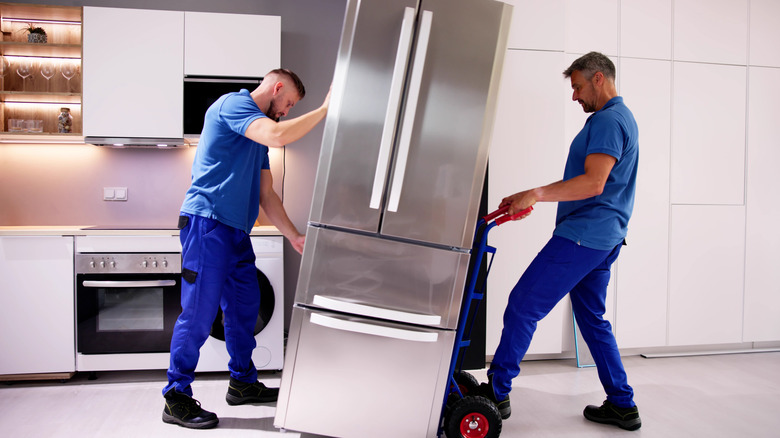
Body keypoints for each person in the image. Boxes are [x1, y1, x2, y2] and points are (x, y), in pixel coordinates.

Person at [476, 52, 641, 431]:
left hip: (584, 236)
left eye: (578, 87)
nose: (575, 97)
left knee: (522, 305)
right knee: (592, 320)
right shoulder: (621, 118)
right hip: (605, 237)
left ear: (599, 79)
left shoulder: (608, 120)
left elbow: (594, 183)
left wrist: (535, 193)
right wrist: (533, 195)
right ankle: (622, 403)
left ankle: (497, 393)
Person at [162, 68, 330, 429]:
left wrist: (294, 236)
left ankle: (242, 382)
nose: (285, 112)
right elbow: (278, 135)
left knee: (244, 308)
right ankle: (176, 396)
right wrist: (324, 111)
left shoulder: (256, 135)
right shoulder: (234, 106)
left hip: (236, 231)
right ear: (277, 87)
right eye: (287, 104)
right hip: (207, 224)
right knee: (199, 313)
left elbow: (266, 194)